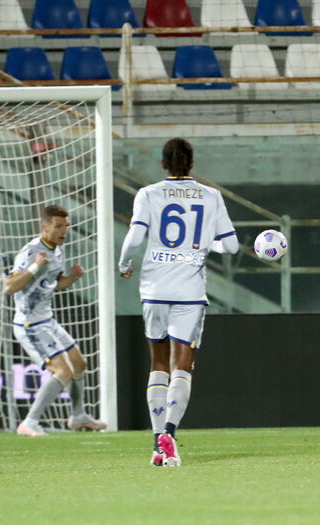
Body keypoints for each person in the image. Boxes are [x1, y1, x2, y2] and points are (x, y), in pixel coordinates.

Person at [118, 138, 238, 466]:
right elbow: (231, 247)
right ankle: (170, 432)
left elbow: (135, 238)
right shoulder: (211, 196)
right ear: (191, 163)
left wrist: (124, 264)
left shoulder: (149, 194)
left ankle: (159, 443)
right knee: (181, 365)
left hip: (155, 289)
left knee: (157, 363)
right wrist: (201, 245)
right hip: (190, 292)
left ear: (162, 164)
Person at [5, 204, 106, 436]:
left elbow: (53, 284)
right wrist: (34, 267)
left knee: (79, 363)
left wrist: (72, 278)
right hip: (30, 324)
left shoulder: (58, 249)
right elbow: (9, 287)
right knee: (63, 371)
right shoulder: (31, 252)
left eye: (66, 226)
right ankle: (29, 422)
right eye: (58, 226)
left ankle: (78, 416)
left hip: (47, 320)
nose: (64, 231)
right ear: (45, 226)